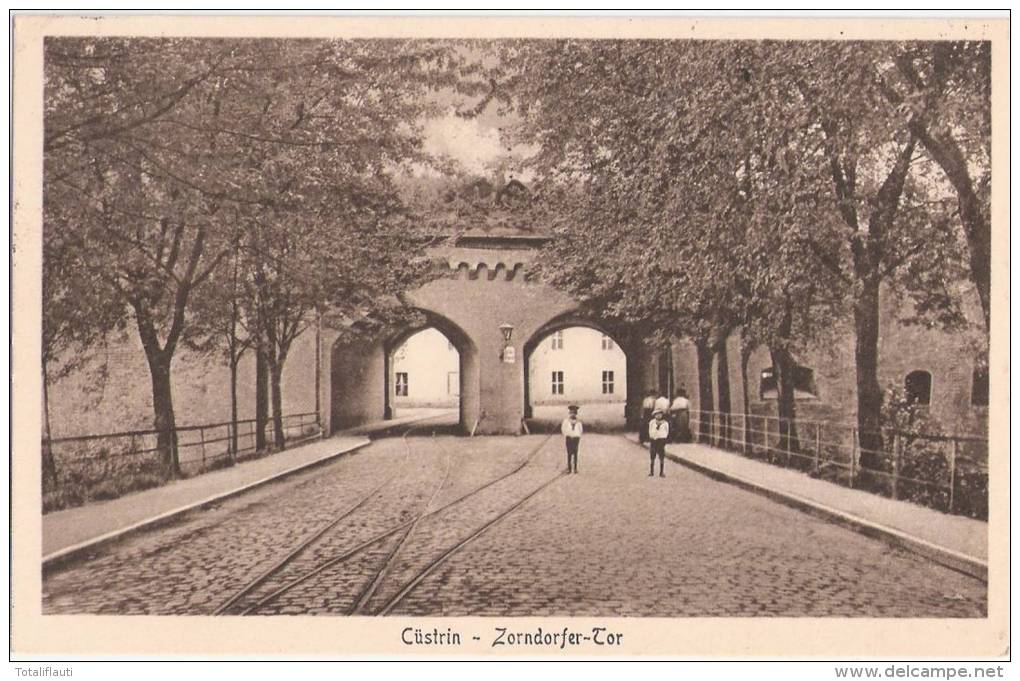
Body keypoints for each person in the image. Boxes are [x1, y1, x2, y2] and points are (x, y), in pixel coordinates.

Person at [561, 404, 583, 474]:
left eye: (574, 413)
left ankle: (575, 468)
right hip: (569, 438)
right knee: (569, 453)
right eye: (572, 412)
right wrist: (567, 435)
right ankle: (569, 468)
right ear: (569, 413)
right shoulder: (566, 421)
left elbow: (580, 429)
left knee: (575, 453)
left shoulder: (578, 421)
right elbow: (563, 429)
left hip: (576, 438)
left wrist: (578, 435)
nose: (573, 414)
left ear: (576, 413)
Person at [648, 409, 670, 477]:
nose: (658, 416)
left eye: (660, 414)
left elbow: (667, 431)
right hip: (654, 440)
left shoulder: (665, 423)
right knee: (652, 455)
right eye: (657, 414)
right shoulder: (652, 422)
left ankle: (661, 472)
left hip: (661, 440)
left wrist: (664, 437)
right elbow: (650, 430)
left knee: (661, 456)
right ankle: (651, 471)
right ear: (654, 415)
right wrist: (652, 436)